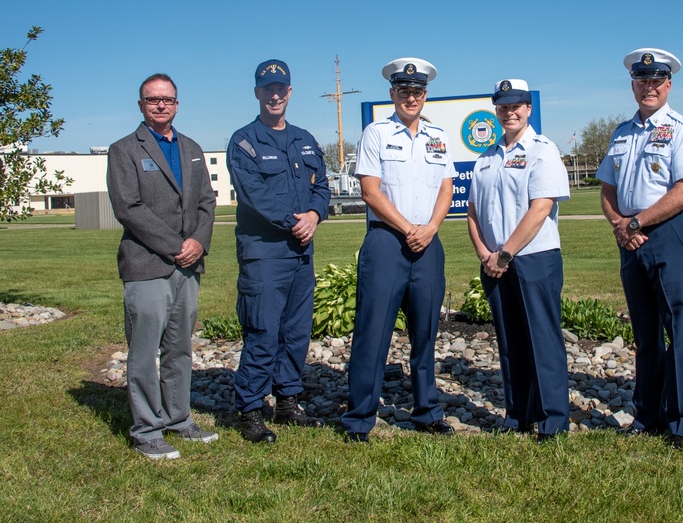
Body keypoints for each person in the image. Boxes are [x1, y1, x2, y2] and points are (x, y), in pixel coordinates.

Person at [340, 57, 456, 443]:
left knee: (425, 333)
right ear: (392, 93)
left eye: (418, 91)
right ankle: (359, 417)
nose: (411, 97)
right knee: (373, 333)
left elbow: (446, 187)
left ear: (425, 95)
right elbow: (370, 191)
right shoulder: (375, 133)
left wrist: (432, 229)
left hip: (428, 242)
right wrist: (409, 228)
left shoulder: (438, 136)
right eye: (404, 91)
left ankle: (427, 411)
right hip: (387, 242)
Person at [596, 48, 683, 449]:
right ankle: (648, 414)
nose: (649, 87)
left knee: (679, 326)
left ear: (669, 84)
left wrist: (637, 222)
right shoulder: (621, 132)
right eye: (642, 80)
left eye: (656, 80)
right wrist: (619, 225)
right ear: (633, 84)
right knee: (644, 331)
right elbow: (607, 188)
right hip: (629, 238)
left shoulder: (682, 130)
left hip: (669, 235)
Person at [107, 73, 217, 460]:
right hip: (147, 264)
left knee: (179, 348)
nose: (160, 105)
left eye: (167, 100)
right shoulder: (123, 150)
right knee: (144, 350)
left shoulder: (191, 148)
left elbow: (207, 202)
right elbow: (129, 209)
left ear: (176, 104)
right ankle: (147, 430)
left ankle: (178, 418)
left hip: (188, 267)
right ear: (141, 104)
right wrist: (176, 246)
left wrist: (199, 243)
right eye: (152, 100)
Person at [227, 59, 330, 443]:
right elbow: (256, 198)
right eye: (267, 89)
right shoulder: (244, 142)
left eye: (281, 89)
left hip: (301, 253)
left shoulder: (305, 139)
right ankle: (251, 408)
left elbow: (323, 185)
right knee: (263, 331)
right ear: (257, 93)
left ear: (290, 92)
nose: (275, 95)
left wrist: (316, 215)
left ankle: (287, 401)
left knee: (296, 331)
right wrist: (297, 222)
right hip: (265, 254)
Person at [466, 79, 571, 443]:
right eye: (503, 106)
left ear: (528, 109)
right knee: (510, 340)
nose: (509, 112)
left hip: (533, 258)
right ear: (496, 111)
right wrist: (485, 253)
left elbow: (541, 207)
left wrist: (506, 253)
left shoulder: (543, 150)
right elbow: (473, 211)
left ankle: (553, 419)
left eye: (516, 106)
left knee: (542, 338)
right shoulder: (487, 157)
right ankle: (518, 413)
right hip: (494, 261)